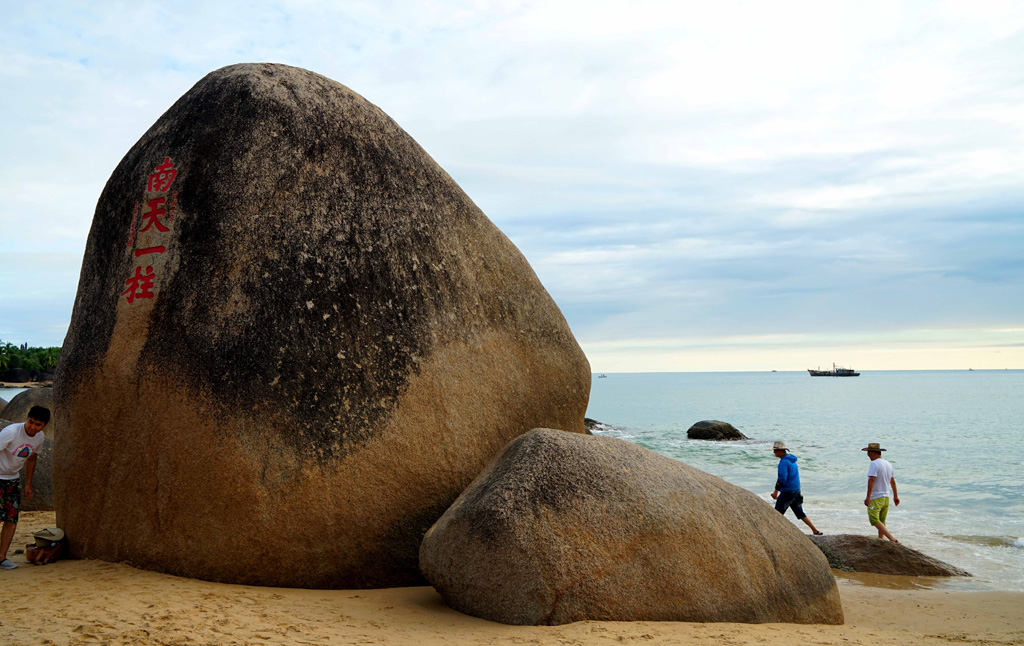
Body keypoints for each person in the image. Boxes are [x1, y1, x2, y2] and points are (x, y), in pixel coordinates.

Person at [0, 405, 50, 570]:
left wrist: (28, 484)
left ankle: (2, 558)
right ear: (27, 418)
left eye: (38, 424)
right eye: (31, 422)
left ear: (44, 426)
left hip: (12, 480)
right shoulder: (11, 432)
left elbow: (31, 459)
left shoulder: (39, 437)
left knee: (11, 520)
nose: (32, 427)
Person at [770, 441, 823, 535]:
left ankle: (773, 533)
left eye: (775, 450)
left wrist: (775, 492)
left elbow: (782, 479)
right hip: (796, 490)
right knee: (800, 512)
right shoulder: (792, 460)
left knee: (777, 513)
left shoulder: (783, 462)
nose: (774, 452)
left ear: (781, 451)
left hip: (788, 492)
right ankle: (815, 530)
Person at [862, 442, 900, 543]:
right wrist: (895, 496)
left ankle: (892, 539)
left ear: (873, 453)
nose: (868, 456)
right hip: (886, 497)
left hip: (876, 497)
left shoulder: (874, 463)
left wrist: (868, 496)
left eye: (868, 453)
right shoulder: (888, 464)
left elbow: (872, 480)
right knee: (882, 520)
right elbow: (893, 482)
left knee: (874, 519)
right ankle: (881, 539)